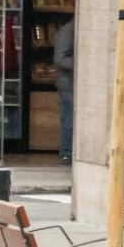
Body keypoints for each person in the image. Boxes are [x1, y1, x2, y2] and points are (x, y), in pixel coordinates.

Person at [51, 21, 74, 166]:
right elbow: (59, 59)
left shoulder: (72, 29)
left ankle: (69, 151)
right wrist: (80, 62)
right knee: (69, 118)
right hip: (68, 84)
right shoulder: (68, 31)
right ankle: (66, 152)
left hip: (72, 83)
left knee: (70, 117)